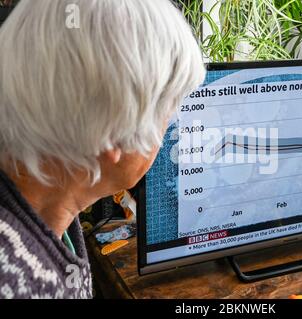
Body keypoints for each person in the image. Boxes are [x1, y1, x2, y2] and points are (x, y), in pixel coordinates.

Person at [0, 0, 205, 299]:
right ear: (113, 137)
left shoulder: (48, 217)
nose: (168, 135)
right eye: (166, 117)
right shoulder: (17, 285)